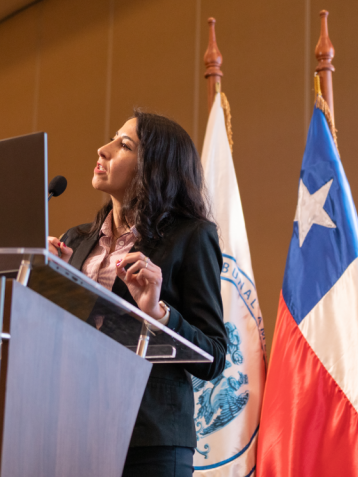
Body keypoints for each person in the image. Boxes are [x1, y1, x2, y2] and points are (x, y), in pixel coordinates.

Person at [48, 110, 227, 477]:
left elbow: (214, 356)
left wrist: (159, 314)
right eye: (112, 139)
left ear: (154, 169)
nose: (103, 149)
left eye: (124, 145)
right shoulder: (75, 241)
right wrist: (50, 283)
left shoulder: (191, 237)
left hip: (148, 438)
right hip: (72, 429)